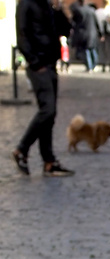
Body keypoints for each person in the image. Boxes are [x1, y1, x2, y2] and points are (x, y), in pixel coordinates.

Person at [12, 0, 74, 176]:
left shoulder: (48, 5)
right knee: (47, 110)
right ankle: (22, 150)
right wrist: (34, 61)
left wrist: (59, 9)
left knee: (50, 115)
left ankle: (49, 161)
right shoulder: (25, 4)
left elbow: (65, 29)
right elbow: (22, 35)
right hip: (39, 66)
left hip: (51, 63)